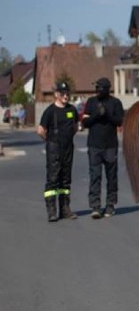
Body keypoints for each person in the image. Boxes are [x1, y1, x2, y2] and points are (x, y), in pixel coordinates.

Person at [82, 77, 125, 218]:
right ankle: (95, 206)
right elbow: (85, 122)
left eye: (100, 88)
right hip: (94, 145)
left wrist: (108, 115)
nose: (97, 90)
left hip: (110, 146)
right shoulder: (91, 102)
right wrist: (96, 115)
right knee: (95, 176)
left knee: (111, 177)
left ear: (107, 89)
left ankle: (110, 205)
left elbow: (120, 121)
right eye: (96, 87)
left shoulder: (115, 103)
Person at [37, 81, 79, 222]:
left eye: (67, 94)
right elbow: (40, 131)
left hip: (68, 148)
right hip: (54, 148)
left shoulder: (72, 110)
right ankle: (52, 211)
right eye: (63, 94)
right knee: (53, 180)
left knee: (66, 180)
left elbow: (75, 127)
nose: (66, 96)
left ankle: (65, 209)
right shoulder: (50, 111)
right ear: (56, 95)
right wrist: (50, 141)